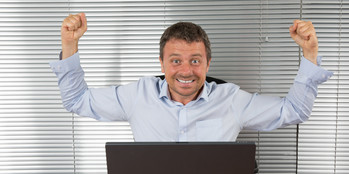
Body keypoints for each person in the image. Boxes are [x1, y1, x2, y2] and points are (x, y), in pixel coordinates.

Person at [50, 13, 333, 142]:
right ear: (161, 63)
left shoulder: (231, 99)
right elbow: (76, 100)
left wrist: (310, 53)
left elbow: (294, 110)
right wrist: (69, 45)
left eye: (195, 61)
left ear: (208, 63)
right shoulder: (137, 96)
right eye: (175, 61)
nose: (186, 71)